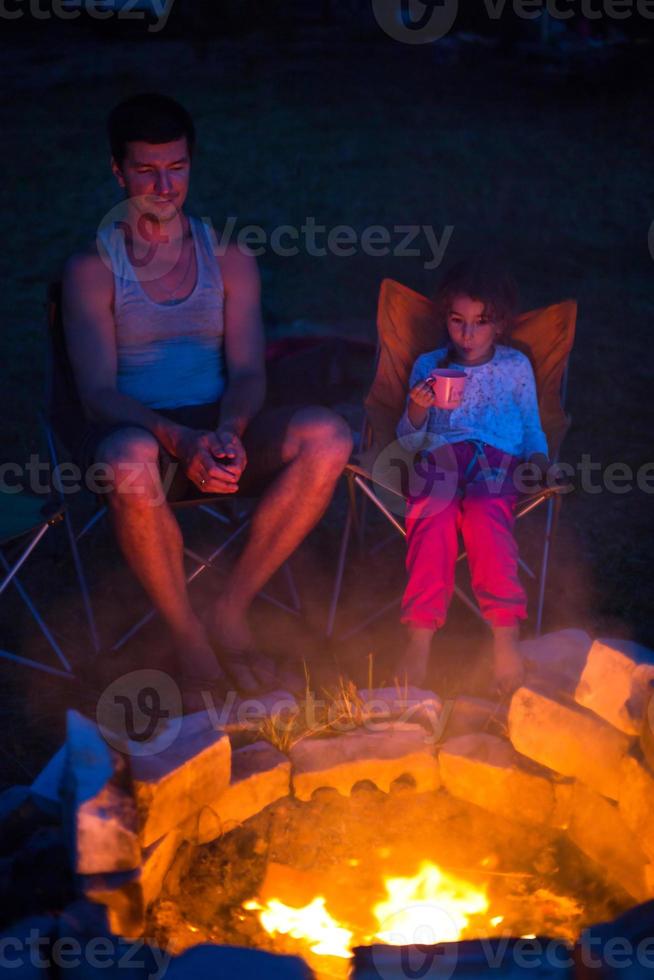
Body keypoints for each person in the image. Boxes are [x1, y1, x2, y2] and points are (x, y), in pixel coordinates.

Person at [60, 92, 352, 704]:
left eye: (178, 167)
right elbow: (96, 395)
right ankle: (189, 636)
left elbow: (248, 371)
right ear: (118, 171)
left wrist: (230, 431)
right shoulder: (91, 269)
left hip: (218, 426)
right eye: (146, 169)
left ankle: (231, 609)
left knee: (329, 436)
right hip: (138, 432)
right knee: (128, 460)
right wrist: (179, 439)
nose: (164, 186)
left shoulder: (229, 258)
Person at [394, 258, 550, 695]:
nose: (467, 334)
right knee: (432, 515)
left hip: (496, 461)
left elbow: (531, 423)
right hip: (438, 458)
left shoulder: (515, 366)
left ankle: (505, 639)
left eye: (480, 323)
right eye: (458, 321)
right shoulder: (429, 364)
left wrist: (538, 458)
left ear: (499, 325)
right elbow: (406, 440)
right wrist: (418, 408)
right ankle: (419, 641)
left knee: (485, 515)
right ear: (445, 319)